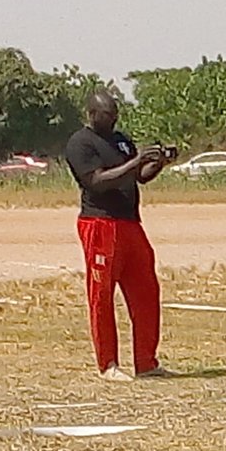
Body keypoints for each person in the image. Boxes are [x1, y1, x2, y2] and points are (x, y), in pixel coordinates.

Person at [62, 91, 169, 381]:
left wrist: (157, 162)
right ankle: (108, 364)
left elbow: (139, 176)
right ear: (93, 114)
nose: (113, 119)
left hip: (130, 222)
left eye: (115, 114)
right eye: (107, 115)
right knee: (102, 295)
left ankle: (146, 362)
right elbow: (96, 181)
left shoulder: (121, 139)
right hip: (99, 222)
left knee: (146, 291)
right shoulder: (80, 143)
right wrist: (135, 163)